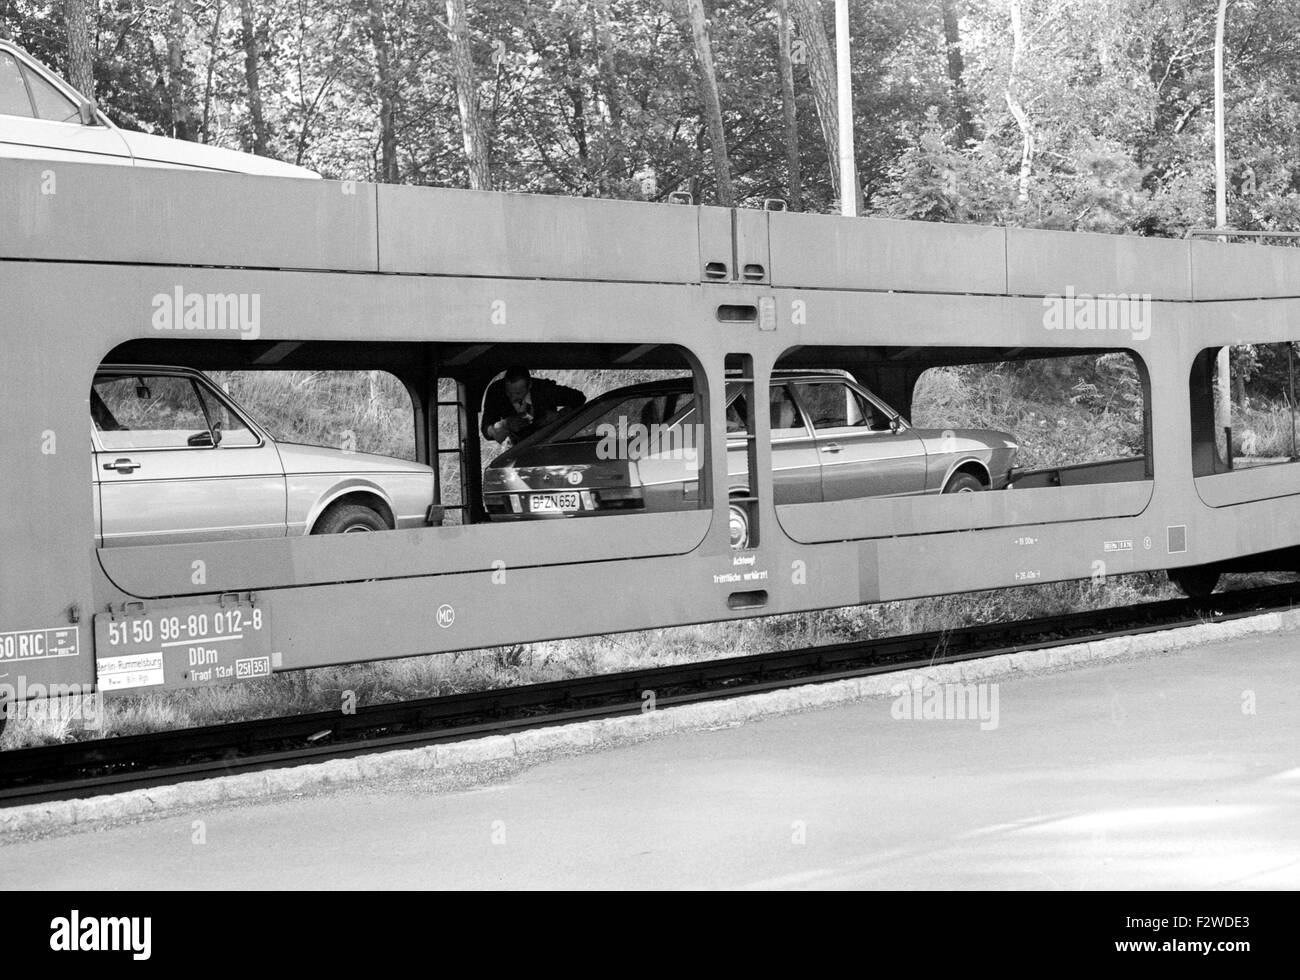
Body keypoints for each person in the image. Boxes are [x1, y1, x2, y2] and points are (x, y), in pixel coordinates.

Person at [481, 367, 587, 445]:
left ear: (530, 385)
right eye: (509, 393)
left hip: (548, 442)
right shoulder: (496, 392)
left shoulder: (544, 389)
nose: (513, 398)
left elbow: (578, 398)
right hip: (517, 447)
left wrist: (558, 417)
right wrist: (503, 425)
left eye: (518, 393)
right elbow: (486, 429)